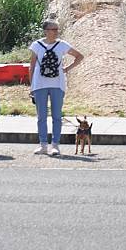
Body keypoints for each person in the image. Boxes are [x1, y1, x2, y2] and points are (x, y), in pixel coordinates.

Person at [29, 20, 84, 156]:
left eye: (56, 29)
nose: (55, 32)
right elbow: (32, 66)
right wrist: (31, 87)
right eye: (52, 29)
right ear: (45, 31)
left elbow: (79, 56)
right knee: (41, 116)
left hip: (57, 84)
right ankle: (43, 145)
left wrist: (66, 69)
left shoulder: (62, 44)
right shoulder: (36, 45)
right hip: (39, 84)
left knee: (57, 116)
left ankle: (55, 145)